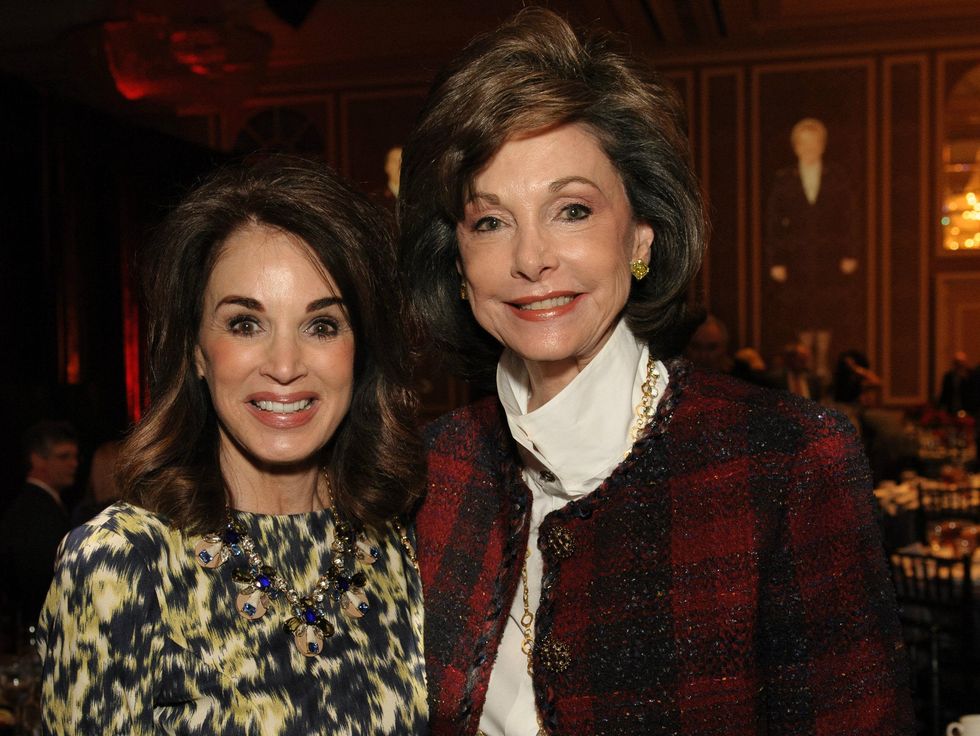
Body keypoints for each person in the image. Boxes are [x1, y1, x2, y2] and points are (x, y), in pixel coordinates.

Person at [398, 8, 912, 735]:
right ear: (457, 263)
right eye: (490, 221)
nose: (530, 257)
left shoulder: (789, 461)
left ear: (640, 235)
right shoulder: (429, 472)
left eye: (571, 209)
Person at [37, 156, 427, 733]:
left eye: (322, 325)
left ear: (359, 350)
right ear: (196, 350)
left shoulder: (403, 543)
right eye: (246, 323)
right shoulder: (121, 562)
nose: (286, 366)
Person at [764, 117, 861, 377]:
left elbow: (848, 217)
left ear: (822, 146)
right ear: (796, 147)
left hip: (829, 258)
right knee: (801, 309)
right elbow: (773, 223)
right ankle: (804, 361)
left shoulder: (837, 177)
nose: (809, 149)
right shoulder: (784, 179)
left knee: (827, 308)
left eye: (814, 143)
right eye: (804, 144)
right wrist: (776, 261)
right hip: (796, 259)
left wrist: (850, 253)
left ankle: (823, 363)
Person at [0, 421, 77, 629]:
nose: (73, 464)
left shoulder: (43, 505)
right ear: (37, 460)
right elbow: (41, 578)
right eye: (63, 456)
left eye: (74, 456)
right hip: (44, 625)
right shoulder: (35, 511)